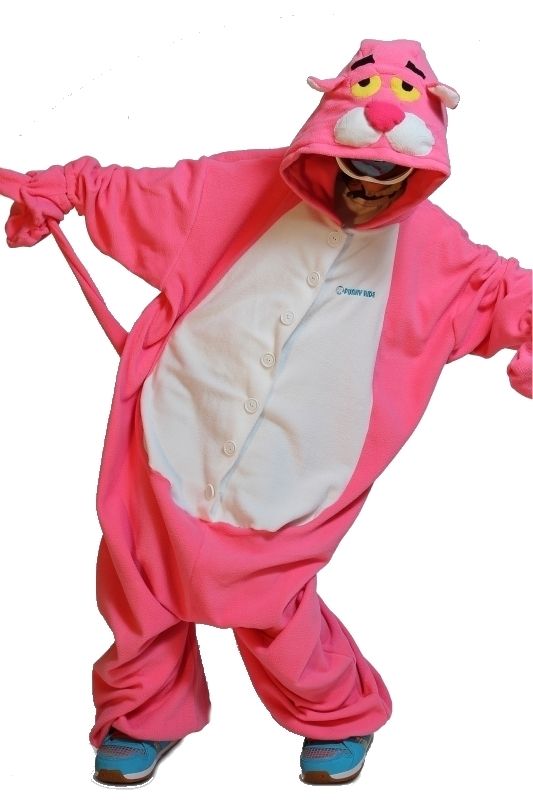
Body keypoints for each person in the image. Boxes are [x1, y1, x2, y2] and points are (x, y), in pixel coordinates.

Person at [0, 38, 530, 787]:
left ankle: (335, 711)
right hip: (173, 432)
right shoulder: (235, 187)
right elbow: (135, 194)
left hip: (296, 476)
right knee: (139, 587)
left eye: (388, 175)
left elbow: (504, 294)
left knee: (275, 609)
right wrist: (66, 188)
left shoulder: (438, 254)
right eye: (352, 165)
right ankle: (144, 711)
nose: (366, 186)